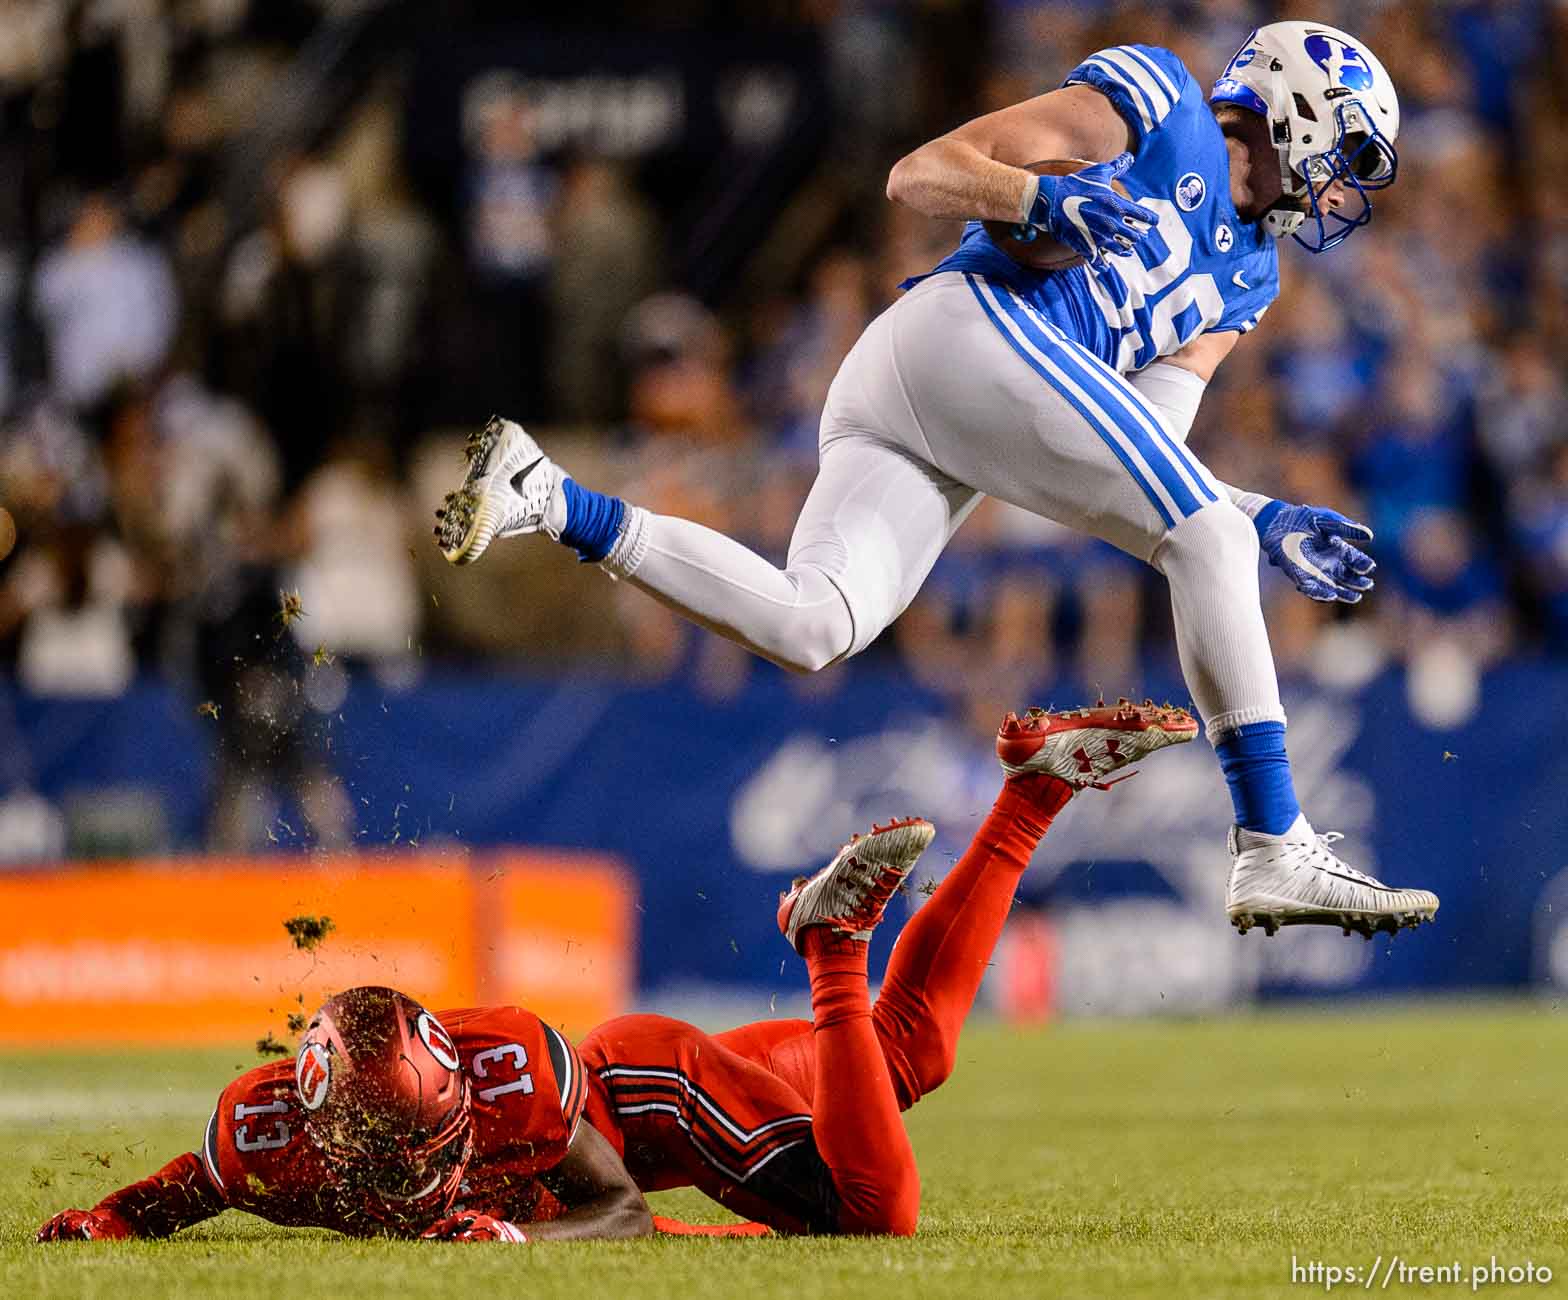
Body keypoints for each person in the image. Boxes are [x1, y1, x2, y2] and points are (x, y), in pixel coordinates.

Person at [432, 22, 1438, 940]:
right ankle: (1272, 842)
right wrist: (1037, 196)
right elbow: (921, 174)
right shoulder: (1161, 99)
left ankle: (550, 496)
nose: (1345, 185)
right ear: (1297, 101)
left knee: (811, 623)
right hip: (959, 332)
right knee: (1202, 539)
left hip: (965, 395)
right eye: (1348, 149)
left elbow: (1149, 446)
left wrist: (1253, 516)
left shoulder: (1250, 278)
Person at [37, 699, 1195, 1243]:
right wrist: (107, 1220)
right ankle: (1034, 788)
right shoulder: (264, 1138)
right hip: (635, 1108)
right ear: (330, 1134)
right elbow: (183, 1187)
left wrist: (511, 1238)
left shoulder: (511, 1075)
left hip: (644, 1100)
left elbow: (619, 1208)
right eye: (423, 1142)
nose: (448, 1150)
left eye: (449, 1126)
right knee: (904, 1056)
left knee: (869, 1211)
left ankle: (830, 946)